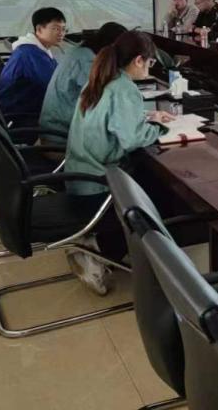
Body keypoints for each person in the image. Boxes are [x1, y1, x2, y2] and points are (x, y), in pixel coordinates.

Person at [63, 30, 176, 292]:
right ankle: (98, 251)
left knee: (149, 178)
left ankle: (99, 246)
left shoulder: (100, 79)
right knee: (162, 194)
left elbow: (111, 119)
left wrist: (148, 117)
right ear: (138, 60)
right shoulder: (125, 89)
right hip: (98, 185)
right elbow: (132, 139)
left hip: (79, 176)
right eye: (150, 62)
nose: (149, 68)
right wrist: (163, 129)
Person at [39, 21, 128, 144]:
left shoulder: (82, 51)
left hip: (59, 128)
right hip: (61, 136)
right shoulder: (86, 62)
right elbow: (102, 102)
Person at [0, 7, 67, 122]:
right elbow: (55, 88)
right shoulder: (31, 54)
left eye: (64, 29)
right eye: (56, 29)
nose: (61, 33)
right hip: (21, 116)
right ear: (39, 29)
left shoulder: (34, 48)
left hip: (21, 108)